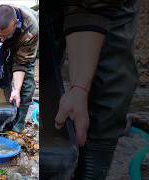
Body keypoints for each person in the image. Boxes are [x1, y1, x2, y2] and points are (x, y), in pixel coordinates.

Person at [52, 0, 140, 179]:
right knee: (50, 72)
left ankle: (92, 168)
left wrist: (80, 88)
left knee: (110, 76)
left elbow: (94, 6)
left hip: (109, 5)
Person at [0, 4, 39, 133]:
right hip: (4, 48)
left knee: (25, 88)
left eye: (6, 35)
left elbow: (21, 63)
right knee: (4, 78)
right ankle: (3, 120)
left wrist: (17, 89)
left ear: (15, 23)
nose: (2, 39)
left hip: (24, 45)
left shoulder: (31, 28)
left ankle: (16, 128)